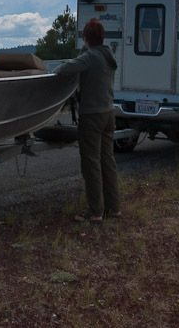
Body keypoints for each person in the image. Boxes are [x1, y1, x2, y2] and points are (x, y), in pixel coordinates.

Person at [55, 18, 120, 223]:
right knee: (107, 161)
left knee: (91, 164)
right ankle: (114, 207)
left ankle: (95, 211)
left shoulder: (90, 57)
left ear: (86, 38)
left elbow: (63, 70)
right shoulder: (107, 55)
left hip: (91, 115)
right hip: (108, 113)